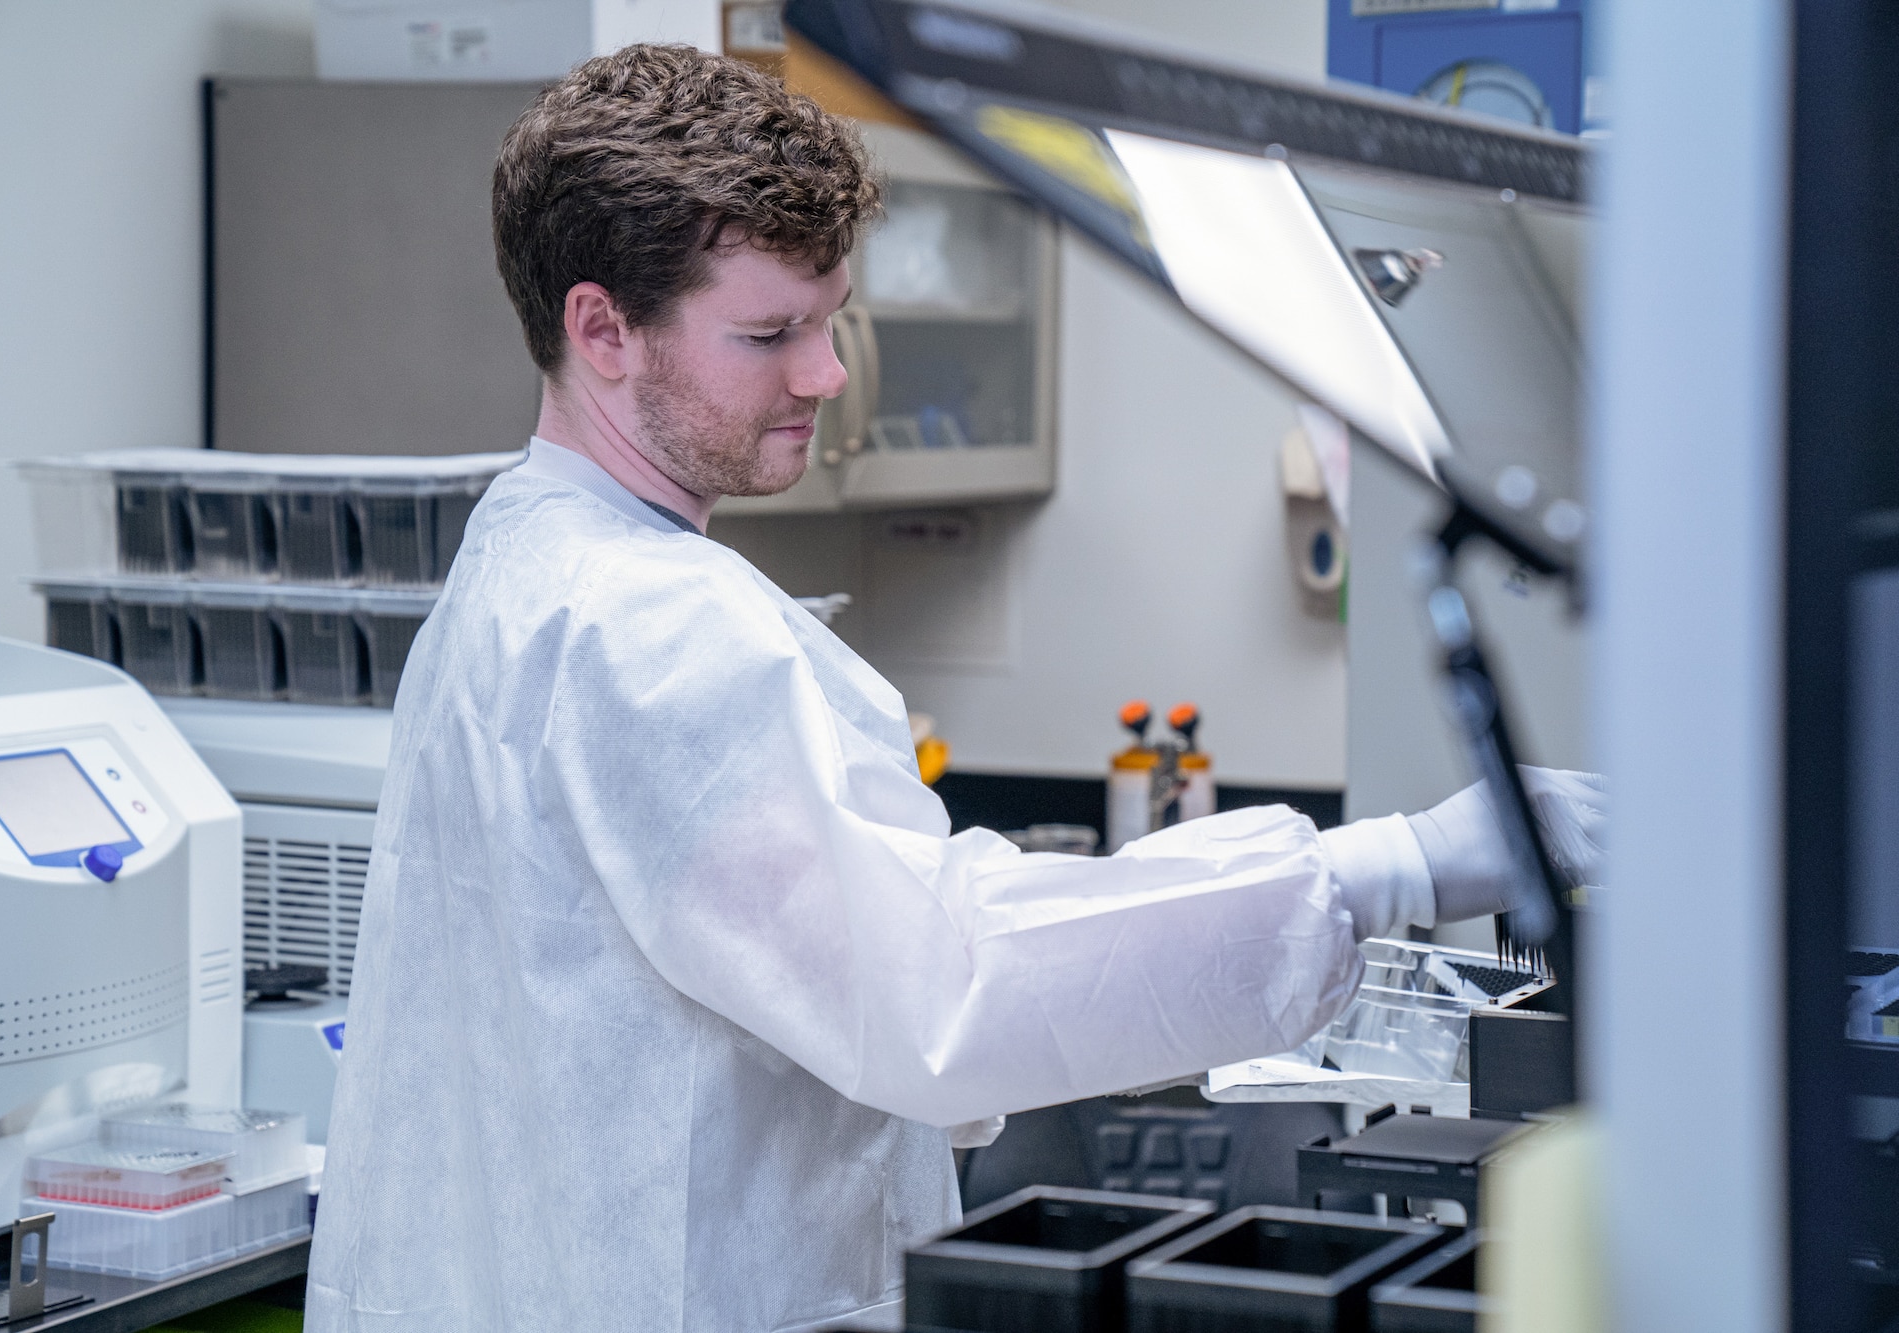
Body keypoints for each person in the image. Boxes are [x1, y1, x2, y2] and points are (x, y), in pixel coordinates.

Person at [306, 45, 1604, 1333]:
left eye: (830, 319)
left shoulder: (524, 564)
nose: (824, 373)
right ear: (601, 330)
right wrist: (1400, 865)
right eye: (769, 333)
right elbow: (945, 987)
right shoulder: (649, 629)